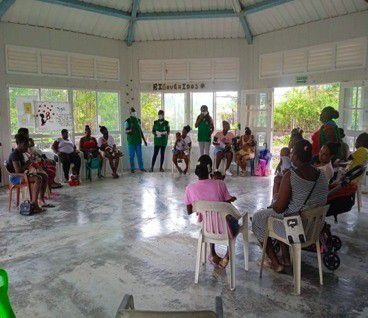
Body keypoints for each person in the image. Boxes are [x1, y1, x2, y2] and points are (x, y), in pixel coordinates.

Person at [252, 140, 328, 273]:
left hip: (296, 230)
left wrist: (276, 193)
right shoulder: (322, 175)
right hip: (314, 229)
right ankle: (286, 258)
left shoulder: (290, 175)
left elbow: (279, 208)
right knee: (288, 212)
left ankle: (275, 263)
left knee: (258, 218)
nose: (290, 155)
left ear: (296, 157)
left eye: (292, 152)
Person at [185, 155, 240, 268]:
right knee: (235, 223)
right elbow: (227, 202)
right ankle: (226, 257)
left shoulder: (189, 188)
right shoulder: (220, 184)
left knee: (209, 219)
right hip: (226, 230)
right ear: (210, 169)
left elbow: (189, 211)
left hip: (207, 229)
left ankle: (213, 254)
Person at [7, 134, 47, 212]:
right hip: (15, 178)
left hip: (22, 175)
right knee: (38, 179)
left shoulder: (21, 153)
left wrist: (30, 162)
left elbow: (23, 168)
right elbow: (18, 171)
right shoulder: (15, 154)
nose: (27, 147)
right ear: (21, 144)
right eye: (26, 145)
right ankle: (34, 204)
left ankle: (40, 199)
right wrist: (29, 162)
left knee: (44, 175)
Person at [124, 107, 147, 173]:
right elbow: (125, 131)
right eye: (132, 112)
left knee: (139, 155)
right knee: (131, 156)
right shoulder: (127, 121)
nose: (134, 113)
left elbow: (140, 131)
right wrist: (130, 130)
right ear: (130, 113)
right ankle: (132, 168)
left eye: (134, 112)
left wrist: (144, 140)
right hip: (131, 142)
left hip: (138, 141)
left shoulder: (138, 120)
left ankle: (141, 168)